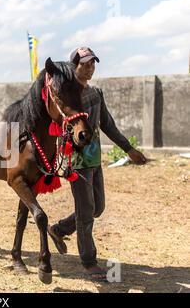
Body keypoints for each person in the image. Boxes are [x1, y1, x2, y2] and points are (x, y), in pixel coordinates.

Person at [47, 47, 148, 281]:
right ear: (74, 67)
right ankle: (89, 262)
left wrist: (129, 149)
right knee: (86, 213)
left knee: (97, 208)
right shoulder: (66, 96)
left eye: (93, 64)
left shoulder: (96, 93)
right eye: (85, 64)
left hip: (94, 160)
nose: (90, 68)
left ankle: (59, 229)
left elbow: (108, 125)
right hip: (76, 161)